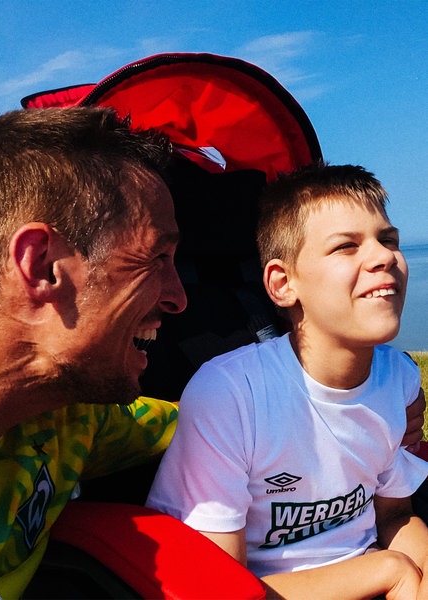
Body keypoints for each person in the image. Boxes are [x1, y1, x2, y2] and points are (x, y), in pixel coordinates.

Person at [147, 162, 428, 599]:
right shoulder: (231, 394)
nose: (383, 257)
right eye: (346, 247)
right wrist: (389, 571)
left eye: (387, 239)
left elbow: (394, 516)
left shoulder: (399, 379)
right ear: (282, 284)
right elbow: (218, 587)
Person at [0, 106, 187, 598]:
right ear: (44, 266)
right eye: (157, 256)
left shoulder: (69, 419)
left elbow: (213, 424)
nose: (180, 297)